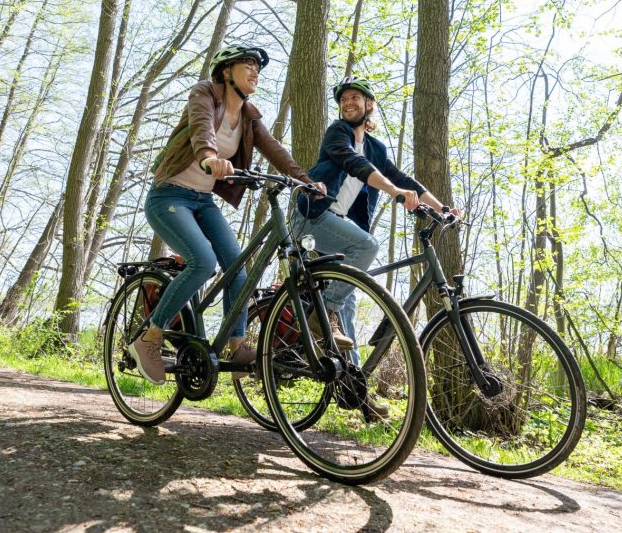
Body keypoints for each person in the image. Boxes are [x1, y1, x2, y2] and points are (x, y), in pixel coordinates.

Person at [130, 45, 323, 384]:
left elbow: (275, 149)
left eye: (257, 68)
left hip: (203, 201)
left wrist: (306, 181)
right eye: (247, 64)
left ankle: (237, 342)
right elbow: (201, 126)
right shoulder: (206, 93)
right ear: (226, 71)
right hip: (168, 196)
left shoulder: (249, 116)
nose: (255, 72)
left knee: (239, 270)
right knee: (202, 262)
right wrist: (209, 157)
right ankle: (150, 337)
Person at [289, 76, 457, 417]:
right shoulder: (337, 133)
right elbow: (356, 166)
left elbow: (402, 179)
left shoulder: (377, 148)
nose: (348, 102)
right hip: (312, 217)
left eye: (356, 97)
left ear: (369, 105)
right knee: (367, 246)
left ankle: (353, 390)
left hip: (339, 229)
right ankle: (325, 316)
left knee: (347, 304)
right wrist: (394, 193)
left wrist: (442, 209)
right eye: (344, 99)